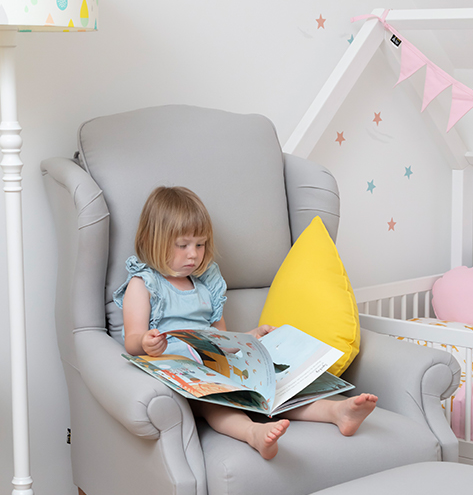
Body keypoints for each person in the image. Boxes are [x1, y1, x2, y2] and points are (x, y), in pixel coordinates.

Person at [114, 186, 377, 459]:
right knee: (217, 401)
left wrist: (252, 338)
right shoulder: (144, 284)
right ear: (153, 240)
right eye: (183, 245)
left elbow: (222, 341)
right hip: (183, 375)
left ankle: (336, 411)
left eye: (200, 245)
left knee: (271, 387)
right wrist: (146, 343)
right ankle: (253, 433)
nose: (193, 254)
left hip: (215, 363)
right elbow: (131, 341)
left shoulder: (206, 284)